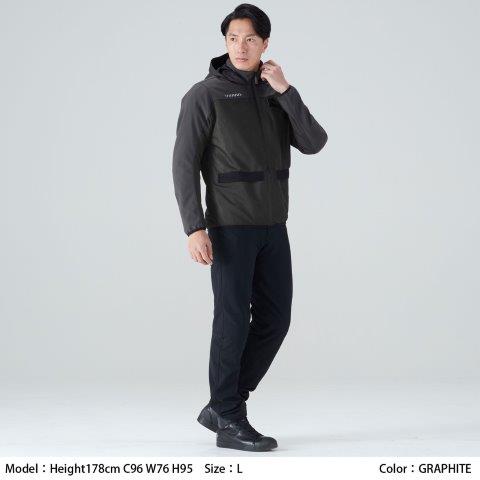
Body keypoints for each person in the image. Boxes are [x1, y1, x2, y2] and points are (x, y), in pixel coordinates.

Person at [172, 3, 328, 452]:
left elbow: (314, 142)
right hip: (229, 227)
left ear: (265, 44)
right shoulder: (205, 95)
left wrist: (286, 91)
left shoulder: (274, 93)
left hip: (273, 225)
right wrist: (194, 227)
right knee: (233, 320)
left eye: (250, 39)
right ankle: (229, 415)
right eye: (233, 38)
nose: (241, 47)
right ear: (225, 42)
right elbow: (183, 165)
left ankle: (223, 404)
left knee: (276, 319)